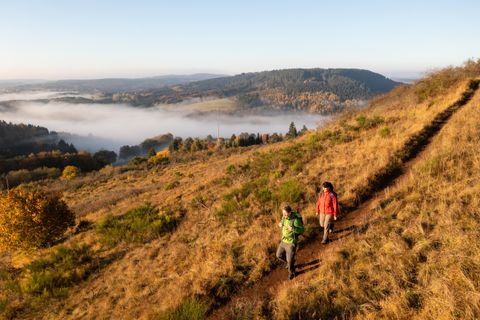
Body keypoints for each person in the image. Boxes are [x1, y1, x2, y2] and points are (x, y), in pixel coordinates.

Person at [276, 205, 304, 280]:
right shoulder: (284, 218)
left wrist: (293, 229)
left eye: (285, 214)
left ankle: (292, 272)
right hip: (283, 241)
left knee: (289, 260)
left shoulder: (295, 220)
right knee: (279, 255)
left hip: (291, 242)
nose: (284, 215)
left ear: (290, 212)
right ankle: (290, 262)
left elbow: (302, 230)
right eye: (283, 214)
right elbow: (282, 222)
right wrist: (280, 224)